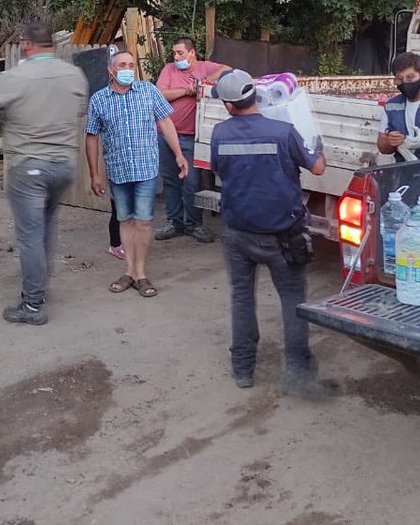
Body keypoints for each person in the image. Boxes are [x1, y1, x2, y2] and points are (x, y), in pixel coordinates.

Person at [210, 69, 328, 395]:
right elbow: (318, 167)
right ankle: (297, 372)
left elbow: (219, 170)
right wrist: (317, 143)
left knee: (242, 299)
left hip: (238, 233)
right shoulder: (284, 131)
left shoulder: (220, 134)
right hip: (283, 236)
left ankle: (243, 370)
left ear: (230, 105)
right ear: (254, 97)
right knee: (292, 299)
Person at [0, 20, 88, 326]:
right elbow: (78, 110)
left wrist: (6, 116)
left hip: (29, 168)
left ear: (26, 44)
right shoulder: (73, 74)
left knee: (29, 236)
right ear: (51, 44)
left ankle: (33, 305)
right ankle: (39, 286)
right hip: (64, 165)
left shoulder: (14, 78)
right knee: (46, 226)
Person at [86, 51, 189, 298]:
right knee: (125, 220)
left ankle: (141, 274)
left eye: (131, 65)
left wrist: (178, 154)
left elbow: (165, 122)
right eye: (123, 65)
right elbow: (91, 136)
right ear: (112, 70)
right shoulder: (99, 99)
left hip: (145, 169)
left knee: (143, 221)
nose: (128, 69)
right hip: (118, 170)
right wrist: (94, 174)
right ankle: (129, 272)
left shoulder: (148, 91)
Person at [154, 37, 230, 243]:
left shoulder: (205, 68)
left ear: (192, 53)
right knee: (170, 181)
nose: (176, 57)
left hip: (190, 137)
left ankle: (194, 224)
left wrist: (204, 83)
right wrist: (187, 91)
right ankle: (174, 222)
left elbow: (227, 69)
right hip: (165, 135)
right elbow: (160, 95)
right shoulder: (169, 69)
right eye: (174, 53)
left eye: (180, 53)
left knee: (191, 182)